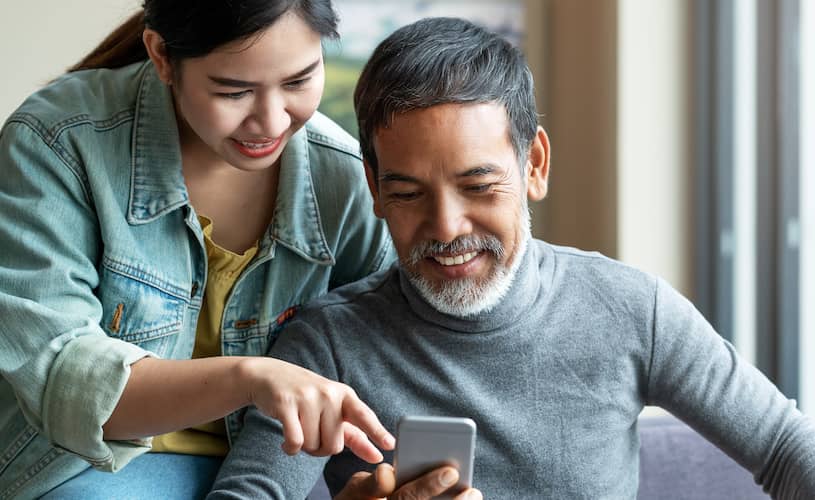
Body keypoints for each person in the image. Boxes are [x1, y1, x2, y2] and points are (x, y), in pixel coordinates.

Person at [208, 17, 815, 500]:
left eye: (478, 187)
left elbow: (784, 446)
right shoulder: (328, 345)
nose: (446, 228)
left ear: (534, 165)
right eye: (409, 193)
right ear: (374, 191)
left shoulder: (628, 309)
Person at [0, 2, 468, 498]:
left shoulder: (344, 180)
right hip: (95, 465)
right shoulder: (58, 144)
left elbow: (399, 345)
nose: (270, 122)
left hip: (274, 465)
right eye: (234, 91)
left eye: (298, 81)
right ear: (161, 55)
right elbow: (62, 378)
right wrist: (250, 378)